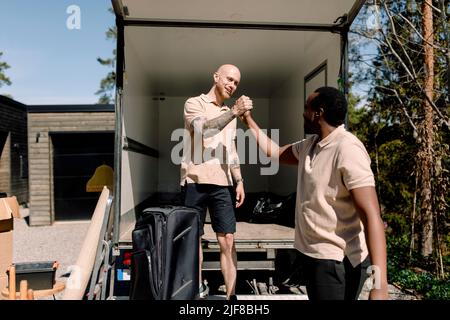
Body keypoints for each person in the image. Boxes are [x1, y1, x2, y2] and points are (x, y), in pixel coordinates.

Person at [239, 86, 389, 300]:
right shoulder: (310, 145)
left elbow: (372, 216)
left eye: (306, 107)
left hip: (337, 261)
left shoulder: (347, 149)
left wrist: (379, 285)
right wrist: (248, 121)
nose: (302, 113)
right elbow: (275, 152)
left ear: (318, 113)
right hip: (314, 255)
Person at [180, 64, 253, 300]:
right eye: (229, 79)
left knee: (228, 238)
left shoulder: (228, 114)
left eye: (236, 83)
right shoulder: (194, 103)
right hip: (195, 181)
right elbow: (203, 131)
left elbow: (231, 149)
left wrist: (239, 180)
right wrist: (233, 112)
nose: (232, 85)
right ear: (216, 77)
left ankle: (231, 296)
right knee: (194, 239)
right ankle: (197, 289)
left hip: (222, 183)